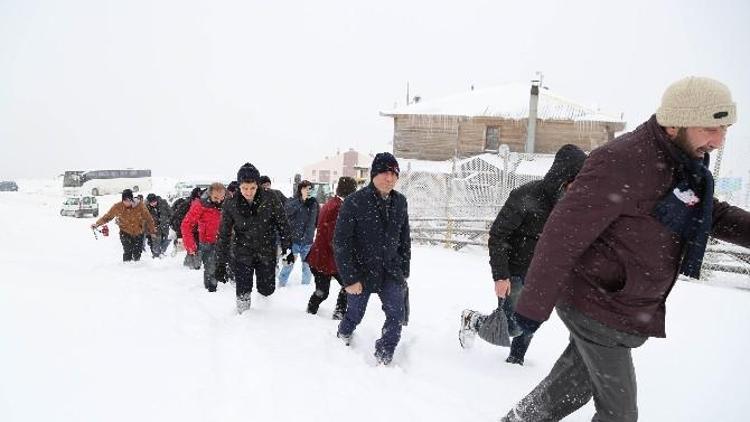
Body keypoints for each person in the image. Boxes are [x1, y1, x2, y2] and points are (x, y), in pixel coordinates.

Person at [500, 76, 750, 422]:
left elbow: (710, 212)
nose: (719, 141)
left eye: (725, 129)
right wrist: (533, 306)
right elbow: (561, 233)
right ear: (676, 121)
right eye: (710, 128)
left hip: (623, 306)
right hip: (597, 304)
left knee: (570, 388)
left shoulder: (682, 163)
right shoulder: (623, 160)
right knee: (619, 415)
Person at [458, 144, 587, 365]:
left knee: (531, 321)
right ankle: (473, 320)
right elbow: (498, 235)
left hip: (545, 275)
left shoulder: (573, 206)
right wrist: (500, 275)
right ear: (564, 175)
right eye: (578, 178)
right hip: (515, 271)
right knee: (512, 326)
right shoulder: (526, 196)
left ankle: (516, 360)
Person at [334, 152, 411, 365]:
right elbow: (341, 243)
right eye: (385, 173)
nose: (390, 178)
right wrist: (350, 279)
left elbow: (405, 238)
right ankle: (343, 333)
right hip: (361, 272)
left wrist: (404, 269)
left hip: (391, 271)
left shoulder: (400, 202)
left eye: (394, 174)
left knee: (396, 316)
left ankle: (385, 354)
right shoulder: (354, 202)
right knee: (354, 314)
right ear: (374, 174)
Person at [215, 163, 293, 314]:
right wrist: (220, 263)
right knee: (243, 288)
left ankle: (264, 313)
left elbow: (283, 224)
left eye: (252, 188)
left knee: (267, 288)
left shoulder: (270, 198)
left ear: (257, 185)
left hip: (266, 251)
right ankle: (243, 316)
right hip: (243, 251)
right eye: (244, 188)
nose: (248, 192)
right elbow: (223, 235)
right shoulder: (231, 204)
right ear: (239, 186)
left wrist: (287, 248)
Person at [305, 176, 358, 319]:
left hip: (323, 257)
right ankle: (313, 312)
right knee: (338, 288)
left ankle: (334, 311)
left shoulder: (333, 203)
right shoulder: (338, 208)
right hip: (325, 259)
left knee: (345, 286)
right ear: (351, 192)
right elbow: (335, 239)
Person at [181, 182, 226, 292]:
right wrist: (190, 245)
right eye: (216, 197)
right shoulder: (200, 205)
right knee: (211, 267)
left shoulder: (228, 203)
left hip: (223, 240)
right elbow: (186, 225)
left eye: (222, 197)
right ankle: (211, 289)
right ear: (209, 194)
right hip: (207, 242)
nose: (219, 200)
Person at [91, 189, 156, 262]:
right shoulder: (118, 207)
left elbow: (149, 218)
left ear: (132, 200)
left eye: (129, 200)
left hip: (138, 232)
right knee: (127, 251)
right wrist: (97, 224)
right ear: (122, 200)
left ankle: (137, 269)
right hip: (125, 232)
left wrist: (152, 231)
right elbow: (108, 216)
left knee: (137, 253)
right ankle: (126, 268)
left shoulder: (140, 206)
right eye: (125, 201)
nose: (127, 203)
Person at [278, 180, 319, 287]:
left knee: (307, 266)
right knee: (288, 265)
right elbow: (287, 212)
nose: (308, 191)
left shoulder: (314, 203)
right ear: (300, 190)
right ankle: (281, 285)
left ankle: (304, 288)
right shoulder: (293, 201)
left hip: (308, 241)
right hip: (294, 241)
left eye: (310, 189)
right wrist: (301, 201)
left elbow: (318, 220)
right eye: (305, 188)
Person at [171, 187, 203, 267]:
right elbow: (178, 220)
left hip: (196, 230)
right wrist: (180, 234)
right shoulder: (186, 205)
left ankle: (190, 264)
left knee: (195, 248)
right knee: (194, 248)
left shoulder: (201, 204)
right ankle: (194, 266)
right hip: (188, 229)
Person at [145, 193, 172, 258]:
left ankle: (162, 252)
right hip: (154, 229)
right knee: (156, 244)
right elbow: (145, 221)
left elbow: (170, 212)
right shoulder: (146, 208)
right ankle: (156, 255)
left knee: (166, 241)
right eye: (151, 203)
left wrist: (169, 221)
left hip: (165, 226)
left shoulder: (163, 203)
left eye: (154, 202)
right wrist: (149, 232)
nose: (153, 204)